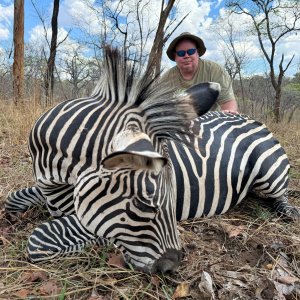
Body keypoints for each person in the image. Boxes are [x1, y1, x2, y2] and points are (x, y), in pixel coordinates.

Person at [161, 32, 238, 113]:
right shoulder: (166, 78)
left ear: (197, 53)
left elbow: (227, 102)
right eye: (181, 53)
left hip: (210, 122)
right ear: (175, 56)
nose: (186, 56)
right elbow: (161, 107)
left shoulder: (215, 70)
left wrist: (228, 114)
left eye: (191, 51)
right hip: (178, 122)